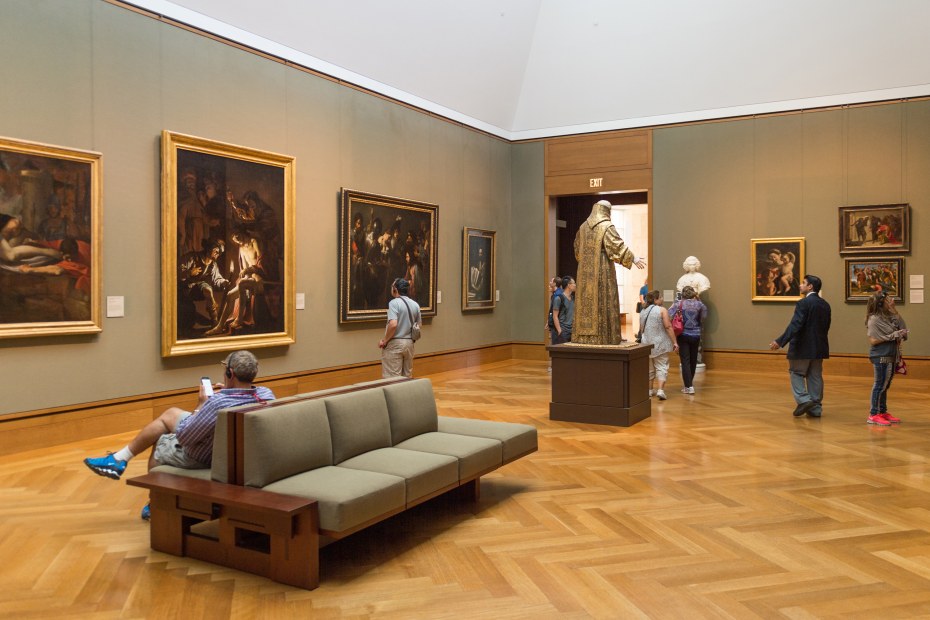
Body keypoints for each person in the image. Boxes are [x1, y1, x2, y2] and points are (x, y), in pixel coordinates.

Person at [83, 350, 275, 519]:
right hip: (237, 455)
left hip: (205, 458)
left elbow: (186, 437)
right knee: (171, 414)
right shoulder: (266, 394)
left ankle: (154, 501)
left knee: (160, 439)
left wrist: (202, 404)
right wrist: (227, 391)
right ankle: (119, 459)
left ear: (229, 373)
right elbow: (235, 402)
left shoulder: (218, 403)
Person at [573, 200, 646, 345]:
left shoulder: (582, 228)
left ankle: (582, 338)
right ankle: (604, 337)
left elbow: (577, 251)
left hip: (584, 273)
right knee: (603, 297)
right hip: (602, 269)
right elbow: (616, 246)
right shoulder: (607, 226)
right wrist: (633, 258)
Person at [769, 274, 831, 418]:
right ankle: (815, 409)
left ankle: (803, 400)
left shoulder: (803, 303)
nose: (800, 285)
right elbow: (826, 326)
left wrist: (780, 341)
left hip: (802, 347)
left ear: (810, 286)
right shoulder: (825, 304)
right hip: (819, 347)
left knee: (796, 373)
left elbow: (795, 325)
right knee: (815, 376)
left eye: (803, 283)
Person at [865, 291, 908, 426]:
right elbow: (873, 340)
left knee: (885, 385)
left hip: (891, 354)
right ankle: (873, 414)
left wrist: (894, 310)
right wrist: (894, 335)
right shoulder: (874, 319)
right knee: (879, 385)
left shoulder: (888, 315)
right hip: (880, 355)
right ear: (880, 303)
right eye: (888, 299)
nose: (891, 301)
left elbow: (903, 327)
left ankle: (882, 411)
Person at [669, 285, 708, 394]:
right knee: (693, 359)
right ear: (693, 293)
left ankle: (689, 386)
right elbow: (704, 316)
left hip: (683, 334)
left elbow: (669, 314)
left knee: (685, 360)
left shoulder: (679, 304)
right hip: (696, 335)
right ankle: (689, 384)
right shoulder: (700, 304)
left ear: (683, 294)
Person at [379, 278, 421, 378]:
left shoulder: (394, 303)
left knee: (392, 379)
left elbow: (393, 324)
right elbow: (419, 325)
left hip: (395, 344)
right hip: (409, 344)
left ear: (395, 289)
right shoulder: (415, 305)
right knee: (407, 377)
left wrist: (384, 341)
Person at [550, 276, 576, 344]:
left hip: (572, 332)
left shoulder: (573, 299)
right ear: (568, 285)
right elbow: (555, 316)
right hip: (563, 331)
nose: (575, 285)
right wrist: (559, 331)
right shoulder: (559, 298)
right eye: (574, 283)